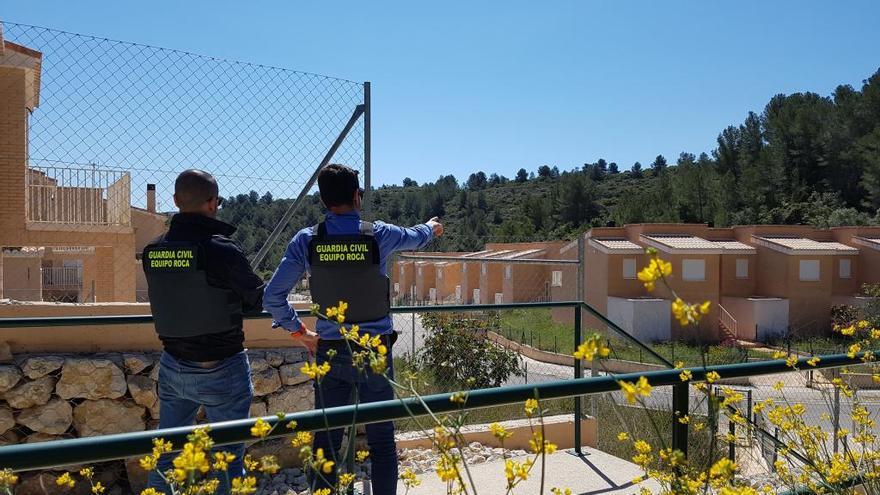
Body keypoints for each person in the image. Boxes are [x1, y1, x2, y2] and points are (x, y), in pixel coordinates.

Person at [263, 164, 443, 494]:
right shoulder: (379, 234)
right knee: (382, 442)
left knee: (326, 441)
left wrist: (300, 332)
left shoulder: (307, 240)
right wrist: (432, 228)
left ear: (323, 200)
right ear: (357, 197)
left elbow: (272, 296)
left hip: (330, 352)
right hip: (375, 351)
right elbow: (416, 236)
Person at [142, 170, 265, 494]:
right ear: (213, 204)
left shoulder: (153, 250)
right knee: (227, 459)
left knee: (167, 456)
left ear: (175, 201)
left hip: (173, 365)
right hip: (223, 367)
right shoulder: (223, 251)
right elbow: (256, 299)